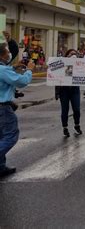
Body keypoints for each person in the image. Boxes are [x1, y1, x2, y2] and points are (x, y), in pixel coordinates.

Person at [0, 42, 34, 177]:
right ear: (2, 55)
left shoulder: (4, 69)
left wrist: (13, 67)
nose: (9, 54)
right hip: (3, 109)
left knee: (1, 136)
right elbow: (22, 82)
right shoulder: (2, 70)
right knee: (11, 136)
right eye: (8, 52)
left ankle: (1, 167)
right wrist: (29, 70)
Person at [55, 49, 82, 137]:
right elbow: (56, 78)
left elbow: (84, 74)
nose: (73, 55)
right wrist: (57, 92)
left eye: (75, 54)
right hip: (64, 90)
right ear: (67, 55)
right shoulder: (61, 64)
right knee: (64, 110)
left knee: (77, 109)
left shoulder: (79, 65)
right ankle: (65, 128)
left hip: (74, 90)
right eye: (71, 54)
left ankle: (77, 125)